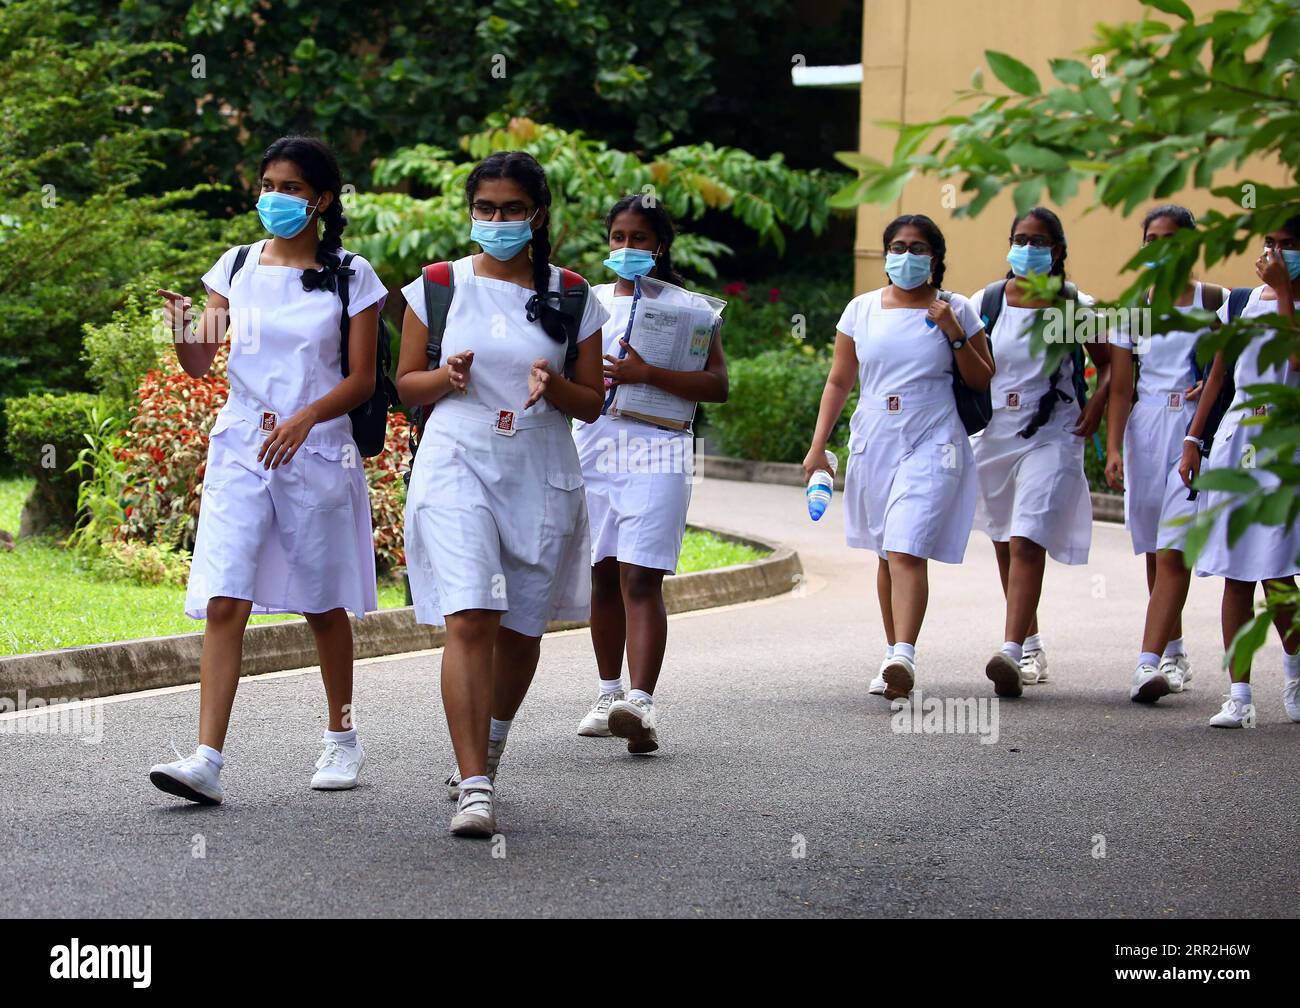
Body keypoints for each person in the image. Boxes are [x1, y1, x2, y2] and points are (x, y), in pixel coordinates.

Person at [149, 136, 387, 804]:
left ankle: (341, 736)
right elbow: (201, 364)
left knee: (320, 602)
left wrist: (306, 417)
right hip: (241, 448)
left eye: (289, 187)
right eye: (266, 185)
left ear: (322, 199)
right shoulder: (236, 265)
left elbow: (364, 379)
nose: (274, 199)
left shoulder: (351, 276)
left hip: (315, 449)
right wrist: (180, 324)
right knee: (226, 597)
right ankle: (207, 759)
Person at [397, 151, 608, 836]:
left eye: (511, 209)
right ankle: (475, 785)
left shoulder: (573, 294)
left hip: (539, 467)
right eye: (484, 208)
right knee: (470, 616)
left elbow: (594, 403)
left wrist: (558, 388)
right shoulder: (436, 286)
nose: (496, 220)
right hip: (457, 457)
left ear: (536, 215)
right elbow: (405, 386)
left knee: (520, 629)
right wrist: (445, 378)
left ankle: (490, 742)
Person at [804, 214, 993, 702]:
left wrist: (952, 331)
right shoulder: (861, 310)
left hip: (934, 438)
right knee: (887, 550)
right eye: (897, 247)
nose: (906, 257)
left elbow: (981, 378)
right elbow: (839, 380)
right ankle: (892, 654)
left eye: (918, 248)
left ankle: (904, 653)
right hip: (875, 438)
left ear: (935, 257)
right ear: (886, 254)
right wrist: (817, 445)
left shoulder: (958, 308)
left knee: (907, 543)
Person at [572, 195, 728, 753]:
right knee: (601, 570)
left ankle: (640, 702)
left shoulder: (691, 308)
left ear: (659, 246)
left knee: (641, 575)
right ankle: (606, 692)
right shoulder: (584, 302)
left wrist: (648, 373)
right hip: (594, 443)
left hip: (659, 445)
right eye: (618, 237)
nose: (627, 248)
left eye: (639, 239)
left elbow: (718, 385)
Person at [970, 207, 1111, 697]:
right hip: (995, 434)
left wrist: (1095, 406)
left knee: (1028, 536)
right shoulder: (986, 302)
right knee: (1005, 542)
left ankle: (1009, 650)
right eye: (1020, 239)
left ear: (1057, 250)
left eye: (1040, 241)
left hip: (1052, 431)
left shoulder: (1075, 305)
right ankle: (1029, 642)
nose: (1029, 249)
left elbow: (1112, 365)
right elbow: (964, 366)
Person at [1180, 217, 1300, 729]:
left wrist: (1285, 293)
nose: (1276, 252)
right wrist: (1193, 439)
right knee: (1234, 573)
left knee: (1275, 571)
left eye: (1289, 245)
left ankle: (1294, 675)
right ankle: (1239, 693)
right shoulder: (1240, 303)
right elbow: (1220, 374)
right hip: (1236, 440)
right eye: (1271, 243)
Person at [1105, 205, 1226, 703]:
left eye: (1169, 239)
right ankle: (1172, 652)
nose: (1159, 248)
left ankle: (1146, 663)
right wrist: (1112, 447)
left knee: (1176, 547)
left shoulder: (1215, 302)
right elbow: (1118, 388)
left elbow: (1229, 368)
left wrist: (1207, 397)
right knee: (1156, 549)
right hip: (1145, 428)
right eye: (1150, 239)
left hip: (1191, 429)